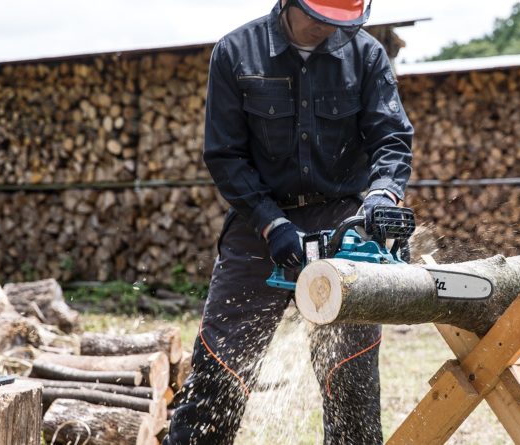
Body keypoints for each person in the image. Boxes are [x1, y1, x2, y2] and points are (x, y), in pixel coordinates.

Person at [163, 0, 414, 444]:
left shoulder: (366, 55)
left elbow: (391, 137)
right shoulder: (237, 52)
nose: (326, 28)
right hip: (257, 219)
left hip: (342, 217)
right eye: (319, 16)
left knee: (350, 381)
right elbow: (226, 156)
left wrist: (382, 195)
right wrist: (270, 224)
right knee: (219, 371)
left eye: (338, 21)